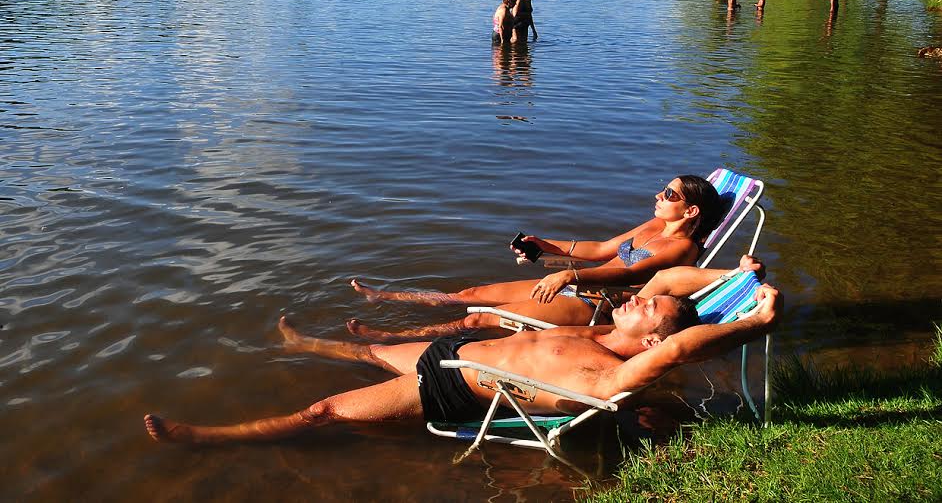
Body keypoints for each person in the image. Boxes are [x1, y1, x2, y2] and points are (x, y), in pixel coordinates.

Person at [144, 278, 782, 446]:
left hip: (451, 390)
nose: (638, 299)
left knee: (324, 411)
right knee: (367, 349)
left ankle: (203, 437)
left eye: (649, 307)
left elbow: (678, 346)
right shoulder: (595, 332)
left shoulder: (615, 374)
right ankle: (301, 344)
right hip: (454, 356)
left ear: (653, 342)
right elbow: (666, 326)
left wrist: (754, 323)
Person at [346, 176, 724, 341]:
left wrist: (568, 277)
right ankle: (387, 297)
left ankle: (393, 336)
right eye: (663, 189)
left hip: (603, 304)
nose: (660, 196)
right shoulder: (653, 226)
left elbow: (629, 274)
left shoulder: (680, 249)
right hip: (579, 283)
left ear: (691, 212)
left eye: (670, 195)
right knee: (473, 292)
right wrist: (547, 246)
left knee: (480, 318)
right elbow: (602, 250)